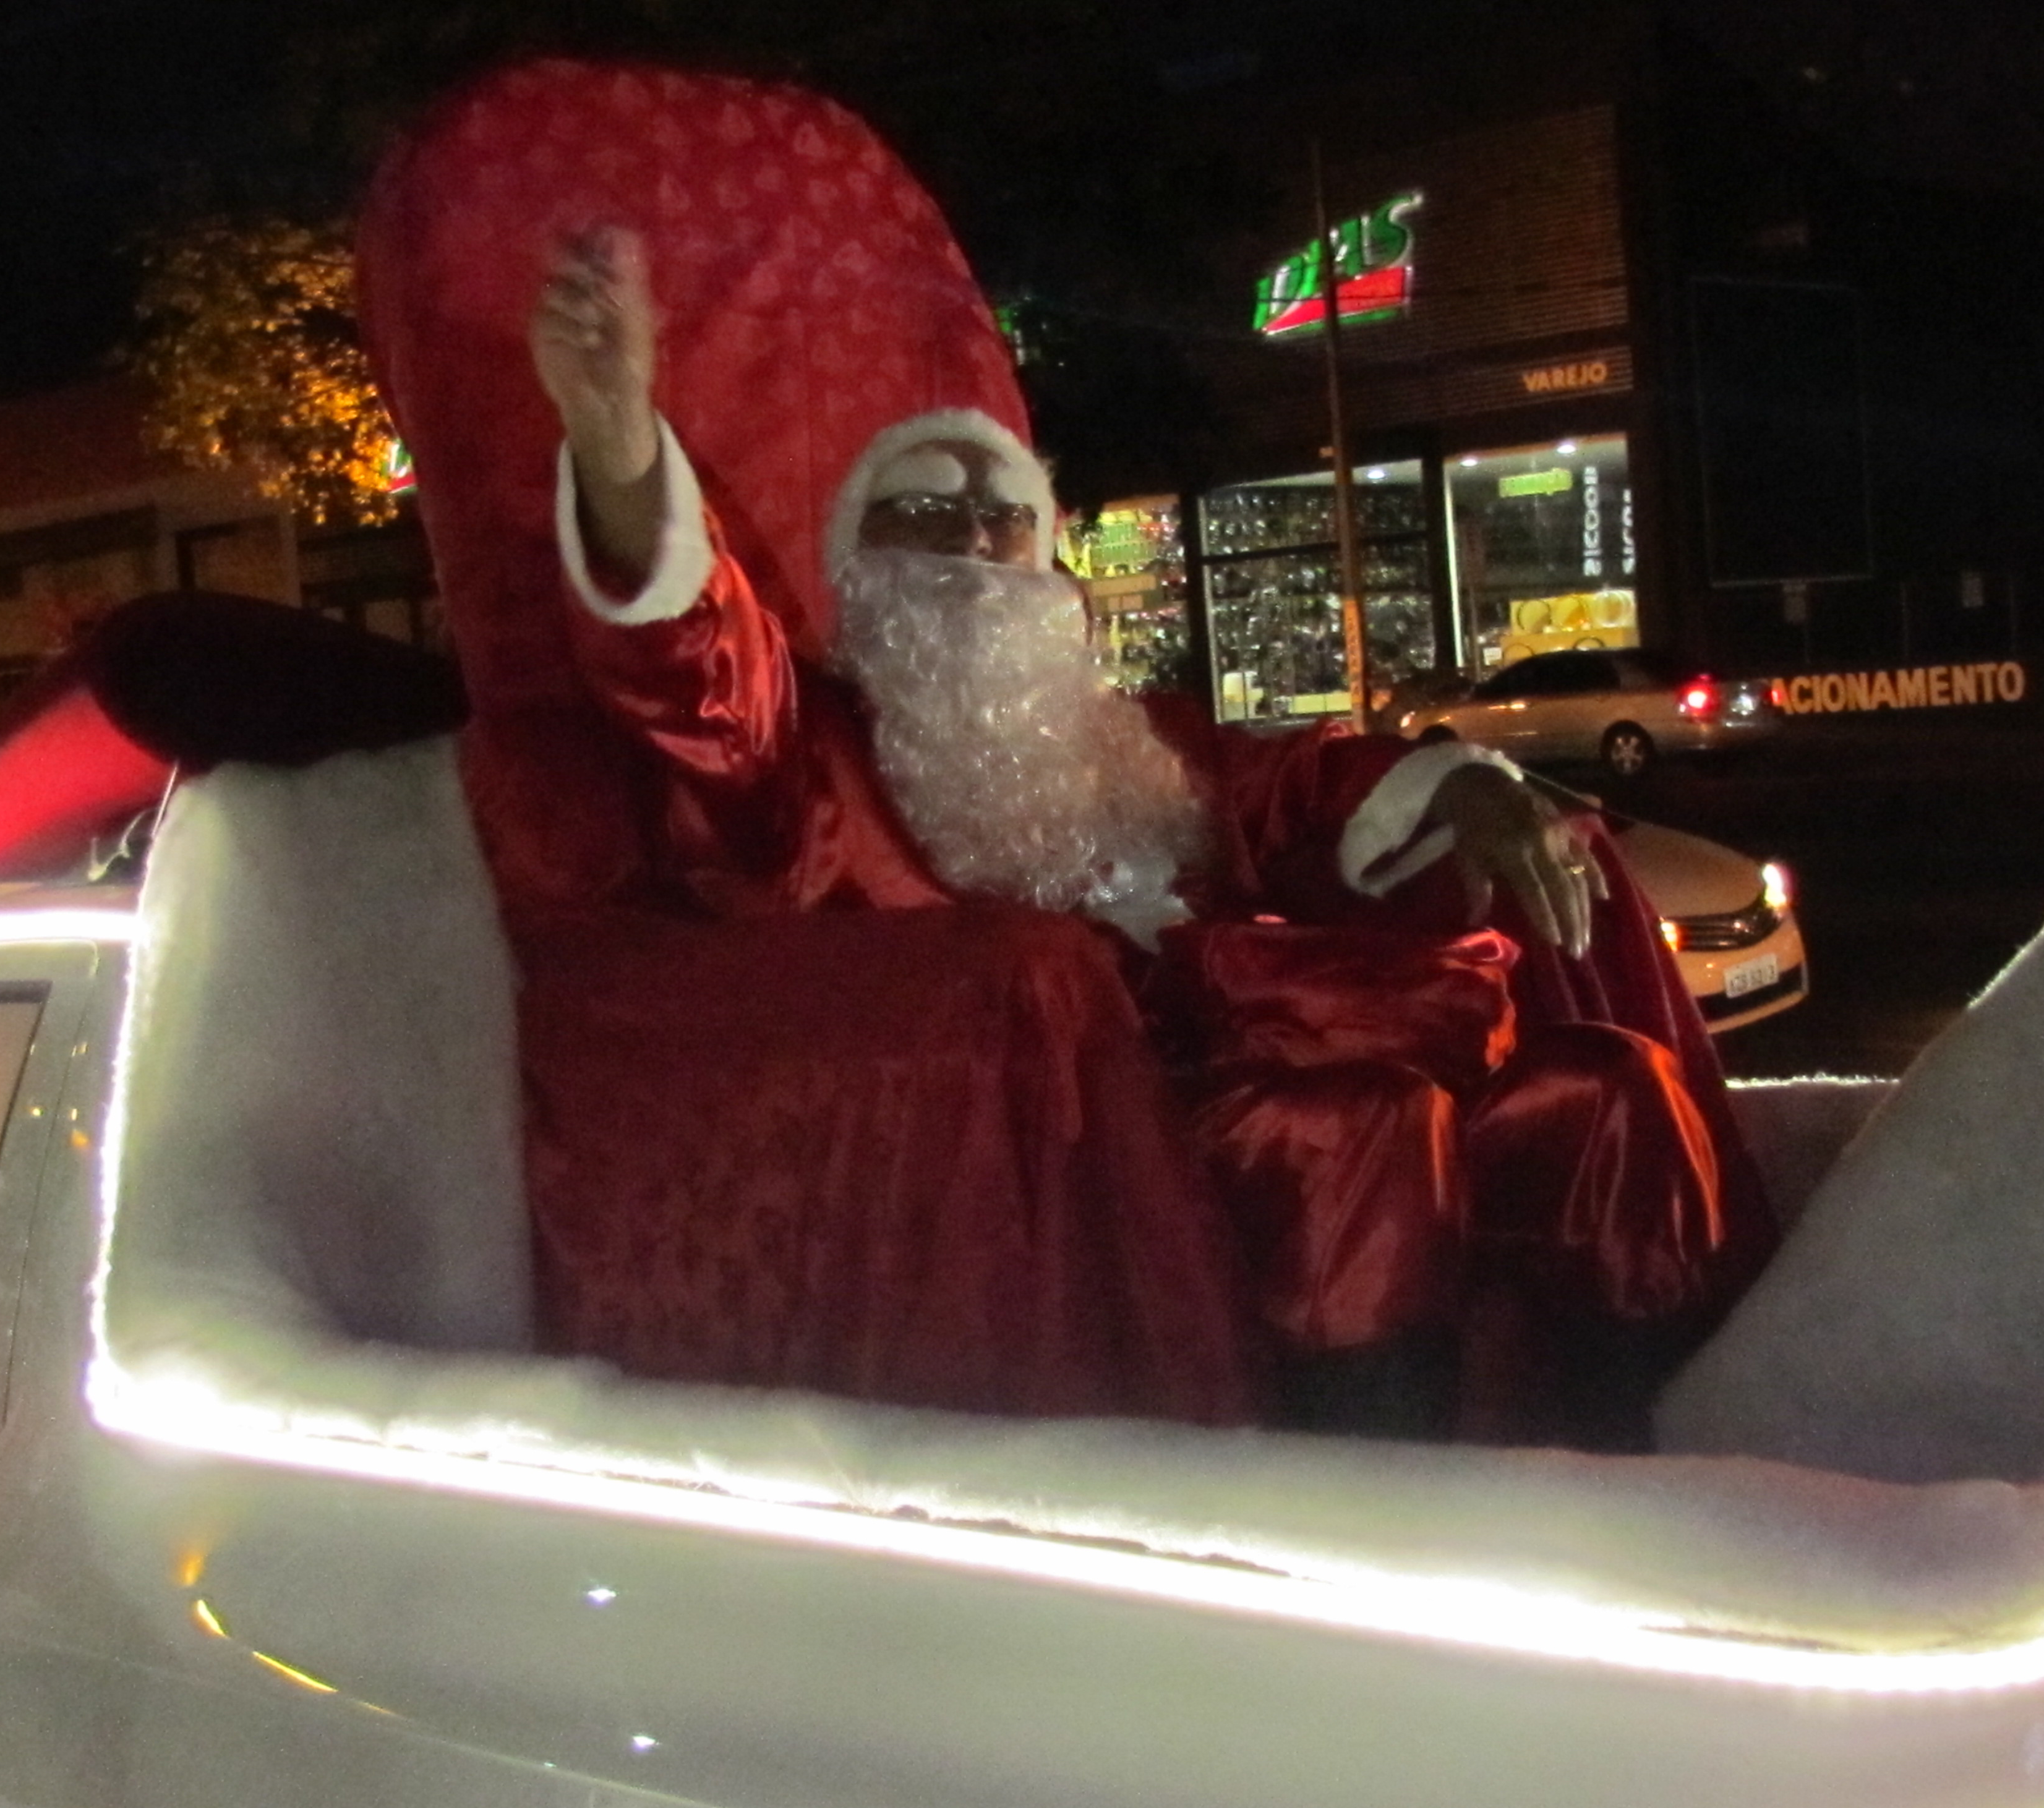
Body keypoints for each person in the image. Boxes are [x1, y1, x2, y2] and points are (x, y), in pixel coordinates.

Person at [357, 59, 1769, 1436]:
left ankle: (1659, 1473)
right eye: (923, 515)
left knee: (1605, 1086)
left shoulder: (1136, 739)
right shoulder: (814, 747)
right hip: (1114, 1152)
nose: (974, 543)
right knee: (1360, 1128)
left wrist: (1471, 786)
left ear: (1052, 561)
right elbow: (692, 672)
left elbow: (1297, 782)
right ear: (857, 574)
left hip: (1298, 1059)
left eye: (1003, 516)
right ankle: (1376, 1509)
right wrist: (621, 455)